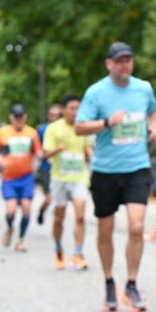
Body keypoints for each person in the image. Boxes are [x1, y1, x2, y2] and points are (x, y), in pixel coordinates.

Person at [75, 42, 156, 312]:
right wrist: (106, 123)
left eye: (128, 60)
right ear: (109, 64)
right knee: (105, 229)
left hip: (137, 167)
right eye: (119, 61)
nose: (125, 65)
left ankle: (132, 284)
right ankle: (109, 281)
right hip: (105, 171)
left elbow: (155, 110)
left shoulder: (143, 88)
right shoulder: (96, 93)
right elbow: (79, 127)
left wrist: (154, 127)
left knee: (136, 227)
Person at [42, 94, 91, 270]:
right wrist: (58, 149)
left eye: (78, 108)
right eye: (72, 108)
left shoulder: (83, 127)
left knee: (80, 214)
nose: (75, 111)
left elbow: (87, 149)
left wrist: (92, 155)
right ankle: (58, 248)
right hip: (59, 178)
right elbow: (44, 154)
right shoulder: (53, 129)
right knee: (59, 218)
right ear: (64, 110)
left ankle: (78, 253)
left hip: (79, 177)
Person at [0, 104, 43, 252]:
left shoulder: (32, 133)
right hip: (9, 177)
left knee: (26, 208)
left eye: (21, 117)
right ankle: (9, 227)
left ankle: (20, 240)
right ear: (11, 118)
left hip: (26, 177)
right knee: (11, 210)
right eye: (16, 117)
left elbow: (38, 152)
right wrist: (0, 161)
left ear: (25, 117)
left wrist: (41, 158)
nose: (19, 120)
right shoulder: (3, 132)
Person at [36, 104, 63, 226]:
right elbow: (37, 149)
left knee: (59, 200)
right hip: (46, 168)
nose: (55, 118)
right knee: (49, 199)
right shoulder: (42, 130)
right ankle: (42, 210)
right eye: (53, 115)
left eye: (58, 115)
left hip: (61, 168)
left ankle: (57, 221)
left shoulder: (65, 129)